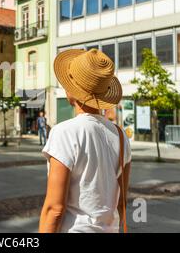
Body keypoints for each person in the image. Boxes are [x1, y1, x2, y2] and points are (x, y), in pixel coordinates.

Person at [39, 49, 131, 234]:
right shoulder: (121, 136)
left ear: (73, 91)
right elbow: (121, 202)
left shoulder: (64, 132)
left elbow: (54, 209)